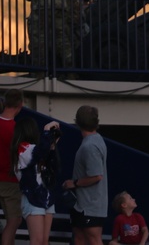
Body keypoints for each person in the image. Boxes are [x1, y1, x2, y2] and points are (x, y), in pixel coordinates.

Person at [61, 105, 107, 245]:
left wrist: (74, 183)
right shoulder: (94, 140)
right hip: (82, 204)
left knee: (93, 239)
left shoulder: (90, 146)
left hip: (90, 205)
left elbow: (97, 176)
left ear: (77, 122)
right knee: (79, 238)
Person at [12, 119, 61, 245]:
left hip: (47, 197)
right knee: (37, 241)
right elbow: (37, 154)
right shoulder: (22, 149)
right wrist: (46, 132)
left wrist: (52, 146)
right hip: (33, 198)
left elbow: (54, 167)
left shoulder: (38, 148)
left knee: (44, 241)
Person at [0, 89, 23, 245]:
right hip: (10, 179)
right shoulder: (14, 129)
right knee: (14, 221)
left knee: (11, 219)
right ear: (19, 105)